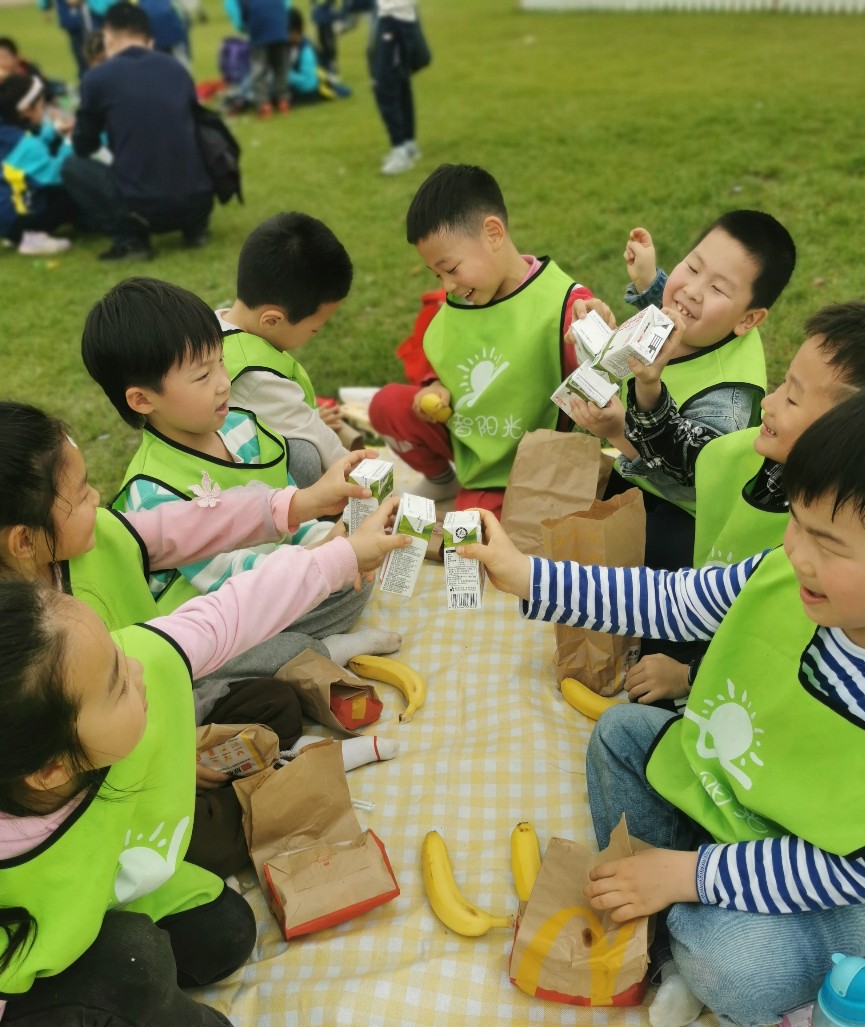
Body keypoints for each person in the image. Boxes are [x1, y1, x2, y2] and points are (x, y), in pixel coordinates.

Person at [0, 496, 405, 1027]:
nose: (139, 670)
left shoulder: (105, 680)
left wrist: (341, 557)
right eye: (117, 683)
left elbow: (226, 614)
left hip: (102, 891)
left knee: (225, 933)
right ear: (49, 769)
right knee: (128, 963)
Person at [462, 385, 865, 1027]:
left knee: (737, 971)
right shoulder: (780, 572)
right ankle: (672, 910)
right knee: (621, 731)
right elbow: (672, 602)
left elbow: (846, 869)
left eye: (827, 544)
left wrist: (689, 874)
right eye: (795, 520)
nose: (795, 551)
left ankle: (677, 923)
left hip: (821, 874)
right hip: (729, 796)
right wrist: (525, 575)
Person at [0, 398, 397, 875]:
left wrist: (300, 503)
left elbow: (188, 526)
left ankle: (268, 779)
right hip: (111, 773)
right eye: (83, 491)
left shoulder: (94, 543)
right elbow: (212, 623)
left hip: (161, 702)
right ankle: (279, 787)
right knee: (212, 841)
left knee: (275, 705)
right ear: (23, 540)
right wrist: (166, 755)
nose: (98, 496)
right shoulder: (18, 658)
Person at [82, 277, 401, 681]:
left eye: (221, 361)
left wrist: (329, 540)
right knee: (215, 662)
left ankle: (308, 635)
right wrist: (325, 556)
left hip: (278, 576)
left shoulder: (241, 427)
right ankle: (321, 650)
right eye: (202, 376)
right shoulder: (152, 492)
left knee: (350, 575)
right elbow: (230, 586)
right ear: (143, 399)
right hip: (221, 614)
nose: (223, 381)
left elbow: (286, 511)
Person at [626, 300, 865, 707]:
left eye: (792, 400)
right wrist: (648, 385)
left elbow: (779, 638)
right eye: (782, 386)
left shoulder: (840, 552)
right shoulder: (755, 456)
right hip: (705, 614)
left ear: (849, 430)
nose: (768, 403)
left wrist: (688, 676)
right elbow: (681, 452)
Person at [567, 213, 796, 570]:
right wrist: (648, 282)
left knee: (639, 553)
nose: (691, 290)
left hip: (687, 514)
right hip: (641, 476)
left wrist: (617, 430)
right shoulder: (706, 324)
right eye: (692, 266)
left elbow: (687, 477)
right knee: (581, 510)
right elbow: (678, 312)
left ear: (747, 320)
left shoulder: (726, 401)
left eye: (718, 289)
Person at [368, 163, 596, 516]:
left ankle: (481, 494)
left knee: (475, 528)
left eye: (451, 269)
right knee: (387, 406)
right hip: (469, 438)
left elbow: (596, 384)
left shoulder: (566, 304)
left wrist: (595, 338)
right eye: (437, 274)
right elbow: (447, 358)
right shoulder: (460, 300)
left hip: (529, 465)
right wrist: (435, 387)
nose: (447, 285)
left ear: (493, 233)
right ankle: (443, 480)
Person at [63, 1, 212, 261]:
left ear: (107, 36)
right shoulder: (177, 69)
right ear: (149, 38)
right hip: (199, 203)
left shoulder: (98, 78)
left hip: (143, 209)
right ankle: (195, 230)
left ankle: (130, 240)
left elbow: (83, 145)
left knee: (73, 166)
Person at [219, 212, 358, 487]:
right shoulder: (256, 377)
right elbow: (317, 437)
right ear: (272, 320)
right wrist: (363, 476)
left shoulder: (214, 326)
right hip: (232, 488)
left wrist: (310, 418)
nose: (316, 334)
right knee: (304, 456)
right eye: (314, 328)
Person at [0, 74, 75, 255]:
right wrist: (70, 143)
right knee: (70, 194)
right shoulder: (21, 143)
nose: (44, 109)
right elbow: (56, 174)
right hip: (13, 216)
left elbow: (32, 152)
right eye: (41, 105)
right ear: (26, 110)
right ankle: (30, 236)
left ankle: (18, 234)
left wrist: (52, 131)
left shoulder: (2, 130)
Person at [370, 0, 427, 176]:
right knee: (400, 82)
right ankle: (408, 144)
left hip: (395, 18)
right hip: (396, 17)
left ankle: (400, 149)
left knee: (385, 86)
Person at [227, 0, 291, 116]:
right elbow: (286, 5)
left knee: (259, 70)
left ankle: (264, 105)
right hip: (280, 28)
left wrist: (245, 28)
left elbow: (240, 15)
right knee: (281, 67)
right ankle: (283, 101)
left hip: (259, 30)